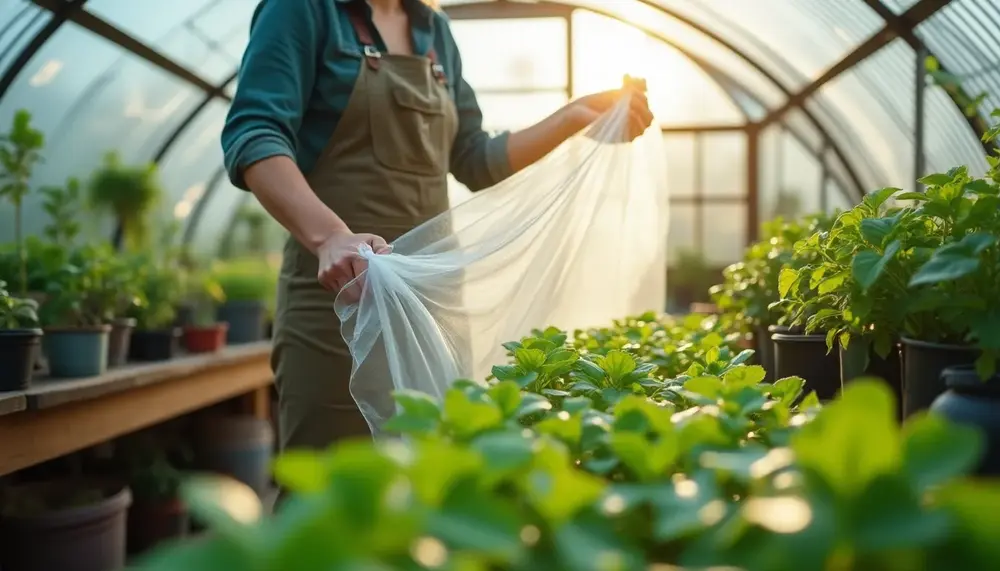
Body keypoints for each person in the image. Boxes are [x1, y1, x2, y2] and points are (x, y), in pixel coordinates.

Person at [220, 0, 654, 485]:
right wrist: (329, 237)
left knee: (432, 484)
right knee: (329, 490)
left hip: (434, 305)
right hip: (339, 301)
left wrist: (576, 116)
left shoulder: (434, 30)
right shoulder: (303, 11)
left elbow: (474, 157)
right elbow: (255, 133)